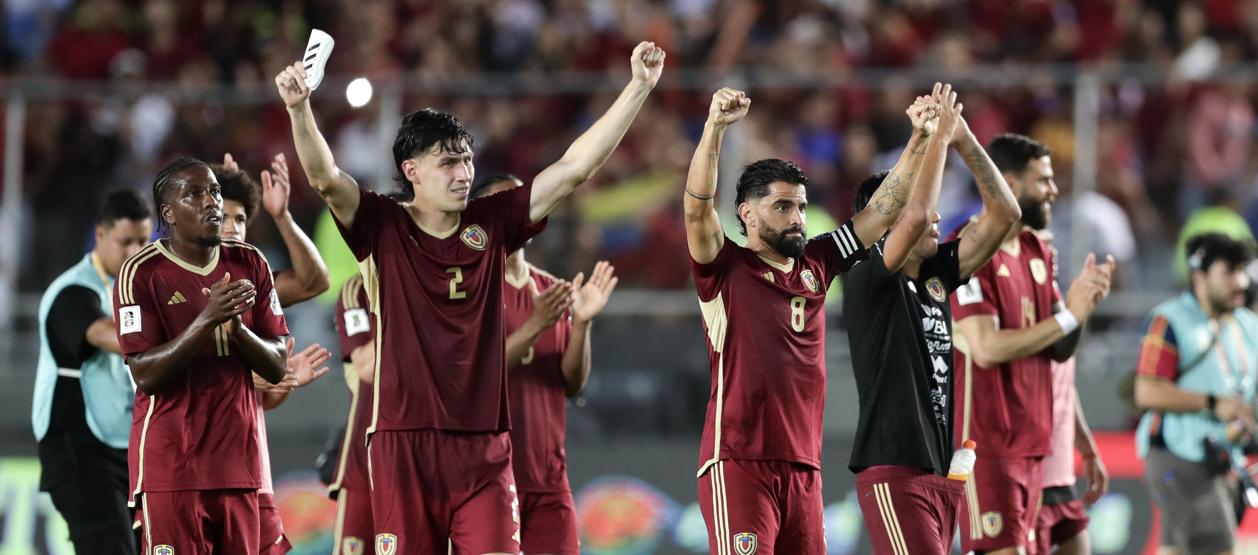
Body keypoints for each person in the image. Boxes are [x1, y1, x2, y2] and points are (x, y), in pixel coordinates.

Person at [276, 41, 664, 554]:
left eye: (466, 160)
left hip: (485, 446)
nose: (463, 174)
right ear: (412, 171)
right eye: (447, 163)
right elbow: (325, 178)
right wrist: (300, 109)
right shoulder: (381, 225)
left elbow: (573, 169)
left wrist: (637, 88)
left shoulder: (493, 222)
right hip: (403, 441)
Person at [682, 84, 936, 553]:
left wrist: (919, 139)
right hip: (739, 461)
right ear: (747, 214)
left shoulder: (818, 262)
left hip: (804, 468)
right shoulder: (725, 268)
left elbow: (883, 211)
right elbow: (697, 208)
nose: (797, 216)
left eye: (800, 205)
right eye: (782, 206)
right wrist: (714, 128)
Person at [841, 85, 1021, 555]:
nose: (936, 215)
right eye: (903, 208)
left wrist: (963, 138)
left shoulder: (937, 275)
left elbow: (1006, 213)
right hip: (893, 469)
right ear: (880, 224)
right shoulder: (865, 276)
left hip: (940, 473)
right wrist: (935, 137)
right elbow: (918, 216)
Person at [949, 134, 1115, 555]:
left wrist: (1082, 305)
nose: (1053, 190)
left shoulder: (1037, 249)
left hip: (1035, 446)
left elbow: (1059, 348)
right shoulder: (968, 251)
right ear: (1008, 183)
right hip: (987, 448)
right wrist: (1070, 315)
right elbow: (986, 348)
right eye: (1043, 180)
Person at [115, 157, 289, 553]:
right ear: (168, 213)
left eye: (214, 191)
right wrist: (206, 320)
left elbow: (277, 364)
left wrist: (238, 330)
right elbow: (145, 374)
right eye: (194, 194)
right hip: (172, 468)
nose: (211, 201)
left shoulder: (250, 262)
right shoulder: (141, 273)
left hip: (239, 467)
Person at [470, 173, 619, 555]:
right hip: (486, 479)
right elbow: (476, 375)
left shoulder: (552, 290)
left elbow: (572, 385)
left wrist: (582, 323)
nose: (521, 210)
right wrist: (536, 324)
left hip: (548, 478)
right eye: (508, 202)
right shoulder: (468, 290)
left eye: (524, 201)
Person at [213, 152, 332, 554]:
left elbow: (314, 282)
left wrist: (281, 217)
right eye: (222, 217)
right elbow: (174, 375)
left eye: (240, 219)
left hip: (248, 463)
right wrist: (262, 375)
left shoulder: (252, 284)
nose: (232, 227)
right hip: (189, 467)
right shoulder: (169, 286)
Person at [32, 189, 152, 555]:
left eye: (143, 242)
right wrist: (184, 333)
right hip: (77, 448)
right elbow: (106, 335)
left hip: (124, 450)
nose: (135, 252)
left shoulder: (132, 291)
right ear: (100, 235)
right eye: (125, 242)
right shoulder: (73, 291)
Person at [1135, 232, 1258, 555]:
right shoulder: (1170, 320)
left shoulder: (1247, 325)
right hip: (1179, 455)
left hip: (1223, 459)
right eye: (1229, 272)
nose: (1241, 282)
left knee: (1175, 548)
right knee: (1220, 549)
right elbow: (1146, 392)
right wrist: (1212, 403)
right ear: (1200, 277)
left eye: (1242, 271)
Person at [1033, 356, 1107, 555]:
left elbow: (1064, 382)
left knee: (1078, 545)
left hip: (1060, 473)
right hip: (1022, 473)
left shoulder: (1060, 336)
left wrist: (1089, 451)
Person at [329, 272, 377, 555]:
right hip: (364, 461)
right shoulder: (357, 290)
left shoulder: (445, 283)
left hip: (428, 459)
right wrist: (408, 305)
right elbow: (366, 366)